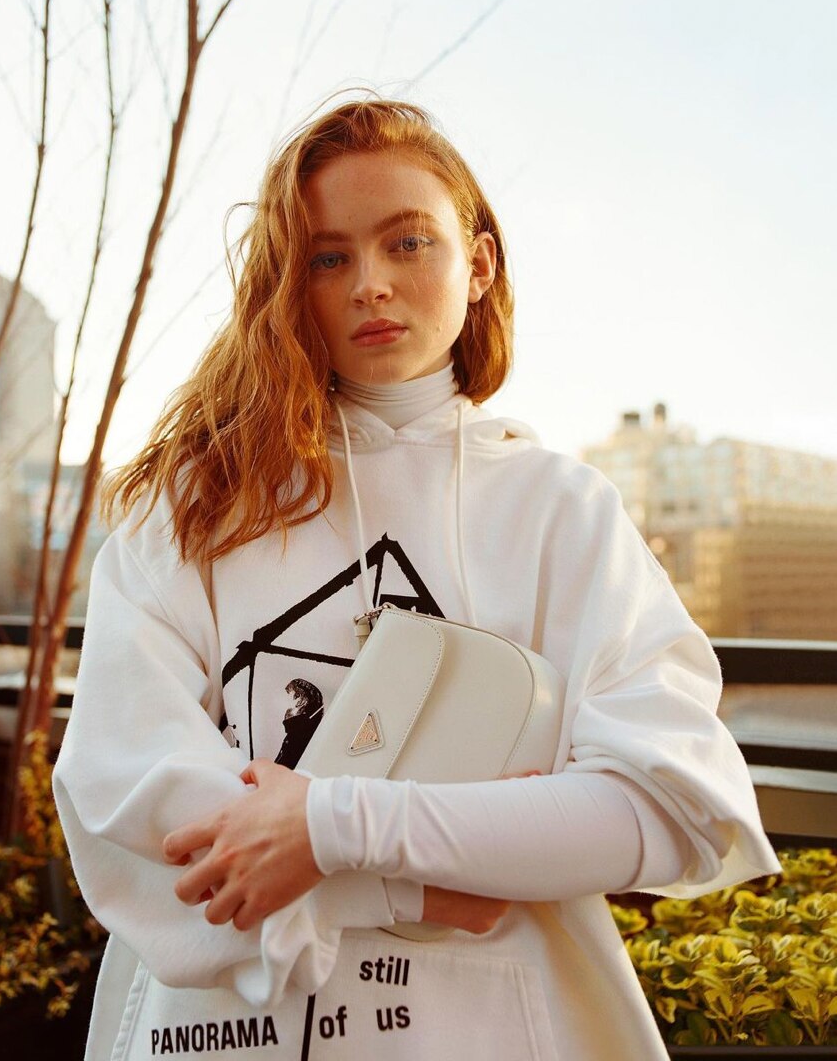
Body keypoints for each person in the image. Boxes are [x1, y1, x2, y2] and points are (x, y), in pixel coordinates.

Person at [52, 93, 780, 1061]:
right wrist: (414, 881)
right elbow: (127, 796)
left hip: (498, 1029)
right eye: (328, 257)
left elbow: (666, 806)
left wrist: (329, 824)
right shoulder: (196, 505)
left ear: (478, 264)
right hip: (228, 1035)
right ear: (289, 283)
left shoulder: (561, 510)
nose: (370, 285)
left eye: (407, 243)